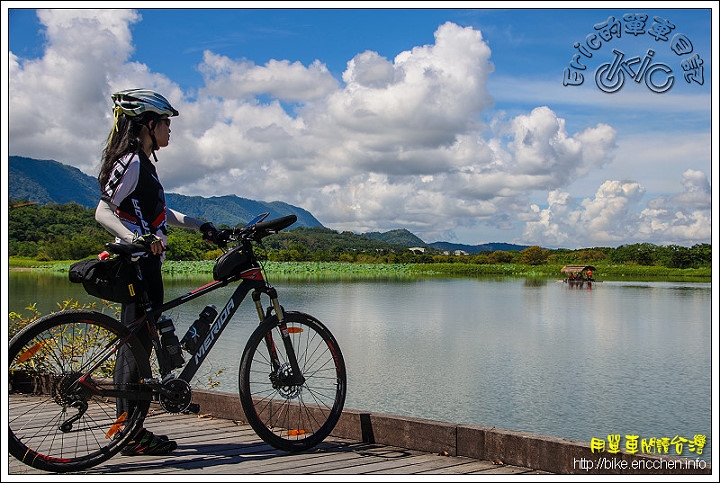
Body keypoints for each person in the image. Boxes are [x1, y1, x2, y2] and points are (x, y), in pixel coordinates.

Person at [95, 88, 220, 456]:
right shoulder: (132, 161)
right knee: (134, 350)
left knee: (137, 346)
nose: (170, 129)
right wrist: (138, 238)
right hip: (138, 268)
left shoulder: (144, 164)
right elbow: (103, 212)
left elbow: (162, 214)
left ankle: (130, 429)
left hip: (148, 268)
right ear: (149, 124)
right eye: (166, 122)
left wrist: (203, 226)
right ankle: (129, 433)